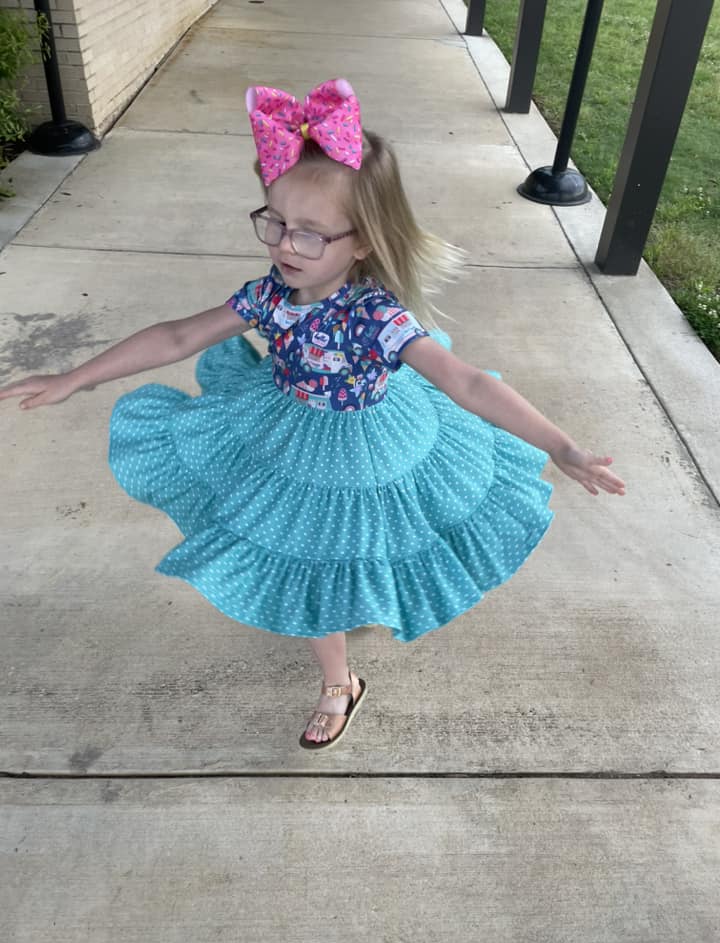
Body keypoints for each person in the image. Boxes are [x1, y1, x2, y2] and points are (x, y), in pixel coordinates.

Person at [0, 79, 625, 751]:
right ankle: (340, 678)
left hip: (364, 446)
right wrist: (74, 377)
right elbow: (179, 336)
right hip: (283, 430)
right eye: (274, 221)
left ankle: (340, 677)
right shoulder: (273, 294)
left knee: (335, 555)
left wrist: (560, 446)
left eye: (309, 233)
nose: (285, 246)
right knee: (307, 564)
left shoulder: (376, 316)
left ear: (363, 242)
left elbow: (466, 383)